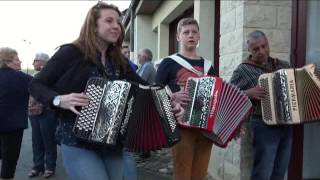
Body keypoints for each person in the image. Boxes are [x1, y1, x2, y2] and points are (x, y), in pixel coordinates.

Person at [29, 2, 184, 180]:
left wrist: (169, 99)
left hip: (113, 142)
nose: (116, 26)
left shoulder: (117, 59)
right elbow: (36, 85)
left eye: (118, 22)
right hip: (77, 140)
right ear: (93, 26)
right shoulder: (71, 52)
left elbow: (145, 87)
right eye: (109, 21)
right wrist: (58, 99)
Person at [155, 18, 216, 180]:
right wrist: (171, 96)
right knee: (182, 173)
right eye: (186, 32)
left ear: (199, 37)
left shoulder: (208, 66)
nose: (191, 35)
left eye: (194, 32)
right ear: (178, 37)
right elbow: (154, 91)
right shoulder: (168, 63)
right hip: (181, 126)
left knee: (200, 174)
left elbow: (218, 95)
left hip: (205, 129)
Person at [230, 30, 293, 180]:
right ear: (249, 50)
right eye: (256, 49)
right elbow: (229, 95)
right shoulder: (243, 69)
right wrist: (248, 93)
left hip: (286, 124)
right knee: (263, 172)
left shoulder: (282, 65)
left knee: (280, 170)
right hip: (263, 125)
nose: (262, 51)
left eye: (264, 46)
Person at [0, 47, 32, 179]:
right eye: (17, 59)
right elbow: (42, 88)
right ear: (7, 61)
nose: (20, 62)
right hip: (13, 126)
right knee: (9, 161)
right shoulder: (23, 78)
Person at [28, 53, 57, 178]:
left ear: (43, 62)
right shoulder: (35, 75)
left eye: (35, 60)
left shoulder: (51, 74)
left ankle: (50, 167)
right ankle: (38, 166)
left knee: (48, 140)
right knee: (36, 140)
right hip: (33, 111)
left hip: (47, 111)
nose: (33, 63)